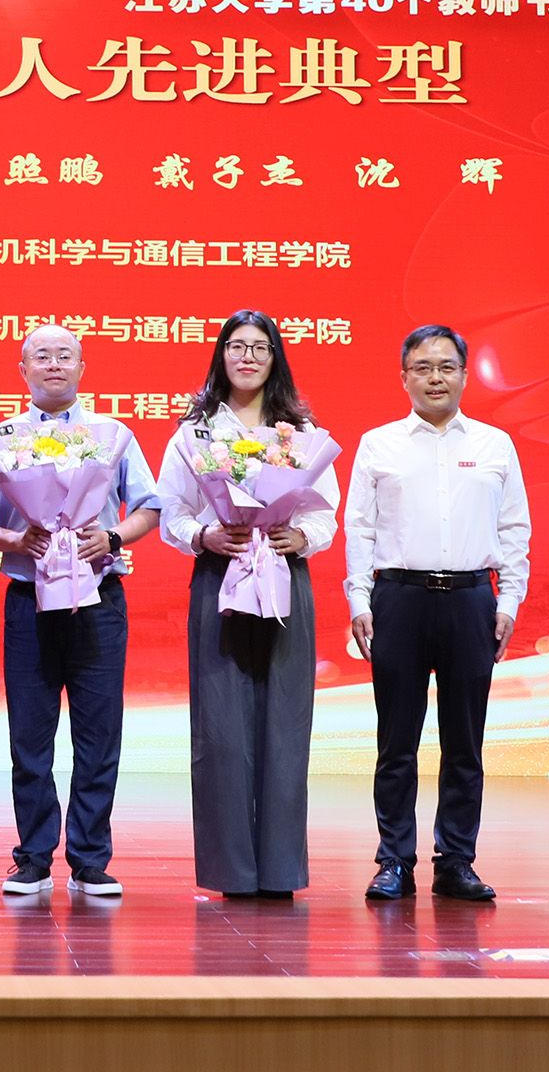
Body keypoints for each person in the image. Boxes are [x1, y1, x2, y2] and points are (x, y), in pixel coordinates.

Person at [0, 324, 161, 898]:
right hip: (29, 600)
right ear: (22, 369)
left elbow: (149, 507)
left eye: (65, 355)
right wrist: (15, 540)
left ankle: (90, 858)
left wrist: (113, 537)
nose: (54, 364)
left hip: (98, 598)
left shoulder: (112, 434)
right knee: (30, 734)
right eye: (42, 356)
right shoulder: (0, 439)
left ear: (81, 367)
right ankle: (32, 857)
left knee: (99, 734)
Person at [345, 325, 530, 902]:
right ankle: (394, 860)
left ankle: (456, 861)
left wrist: (509, 601)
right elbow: (360, 528)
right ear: (404, 378)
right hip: (399, 599)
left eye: (446, 367)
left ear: (464, 376)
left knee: (464, 743)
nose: (435, 378)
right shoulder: (379, 444)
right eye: (422, 368)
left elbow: (514, 528)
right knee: (396, 743)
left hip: (473, 600)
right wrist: (358, 600)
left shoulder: (495, 444)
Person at [158, 310, 338, 899]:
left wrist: (300, 536)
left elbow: (324, 513)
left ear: (275, 358)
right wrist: (203, 536)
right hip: (221, 577)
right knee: (221, 728)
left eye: (260, 348)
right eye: (237, 346)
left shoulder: (301, 431)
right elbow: (172, 511)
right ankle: (231, 871)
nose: (248, 357)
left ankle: (281, 869)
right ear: (221, 355)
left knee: (286, 723)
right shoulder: (195, 433)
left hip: (285, 577)